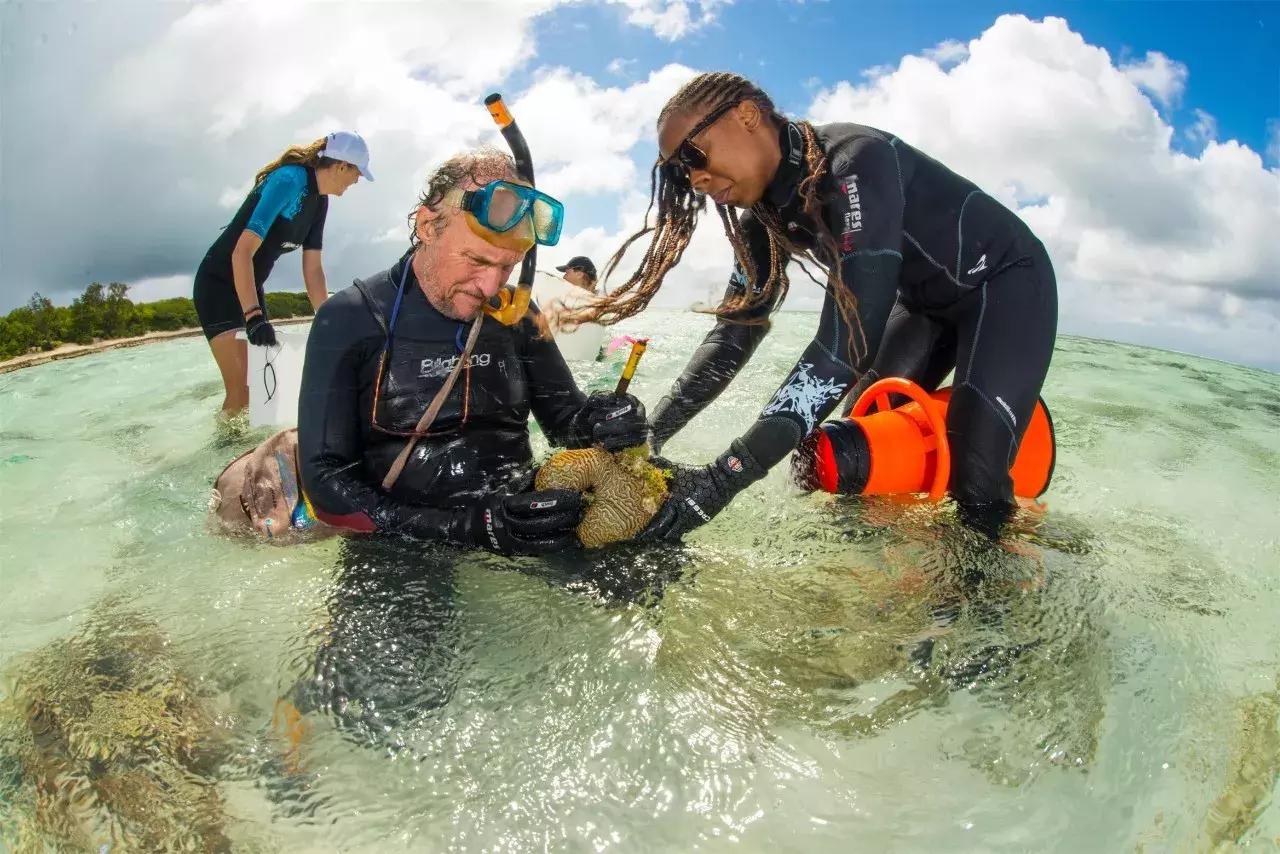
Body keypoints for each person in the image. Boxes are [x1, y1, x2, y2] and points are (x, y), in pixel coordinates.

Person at [571, 71, 1058, 540]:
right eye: (679, 171)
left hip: (1004, 282)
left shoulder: (855, 163)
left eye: (694, 155)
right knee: (845, 457)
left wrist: (724, 477)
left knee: (975, 479)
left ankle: (1007, 584)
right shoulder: (764, 220)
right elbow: (731, 337)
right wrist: (650, 439)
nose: (694, 178)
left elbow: (846, 343)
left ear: (745, 115)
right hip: (922, 306)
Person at [296, 148, 649, 557]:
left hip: (516, 520)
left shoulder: (515, 313)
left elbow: (566, 424)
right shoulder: (350, 317)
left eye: (507, 267)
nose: (489, 286)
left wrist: (606, 422)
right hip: (400, 540)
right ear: (428, 226)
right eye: (476, 260)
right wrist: (462, 528)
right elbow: (325, 481)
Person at [195, 131, 373, 414]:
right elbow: (241, 252)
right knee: (241, 393)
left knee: (265, 398)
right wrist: (254, 317)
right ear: (342, 166)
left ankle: (248, 451)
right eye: (358, 173)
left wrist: (329, 322)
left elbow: (313, 269)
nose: (357, 181)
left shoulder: (320, 201)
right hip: (219, 284)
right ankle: (221, 454)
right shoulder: (289, 180)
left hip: (250, 289)